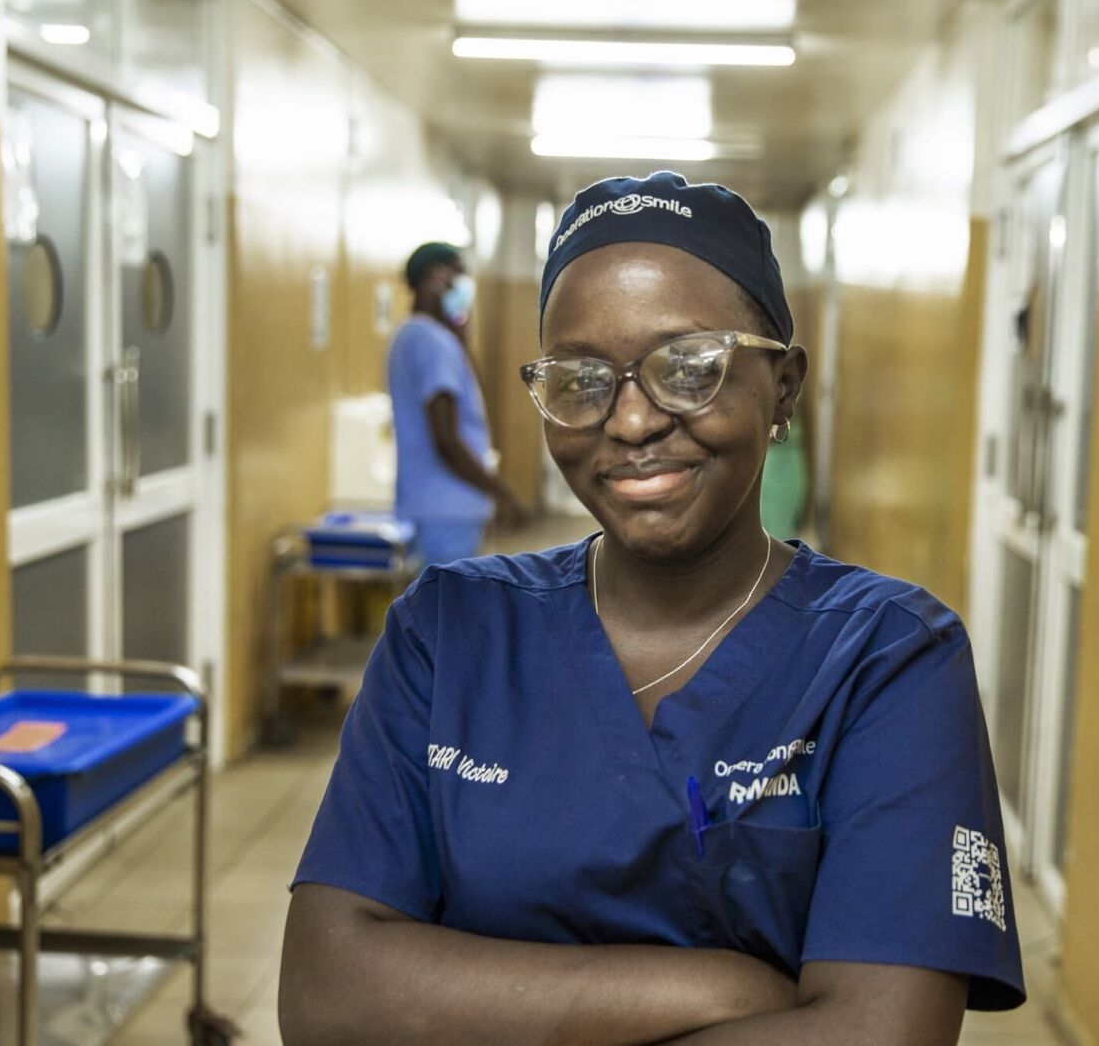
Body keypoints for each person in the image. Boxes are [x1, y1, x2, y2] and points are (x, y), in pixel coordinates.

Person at [282, 173, 1025, 1044]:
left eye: (689, 367)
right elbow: (329, 997)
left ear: (783, 386)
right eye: (580, 378)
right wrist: (724, 988)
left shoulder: (888, 659)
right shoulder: (447, 631)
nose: (631, 420)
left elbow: (877, 1036)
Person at [389, 241, 529, 566]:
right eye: (460, 275)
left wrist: (462, 341)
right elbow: (447, 439)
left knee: (432, 606)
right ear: (437, 277)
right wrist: (502, 493)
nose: (466, 287)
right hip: (449, 509)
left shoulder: (409, 335)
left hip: (424, 503)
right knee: (448, 610)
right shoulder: (435, 343)